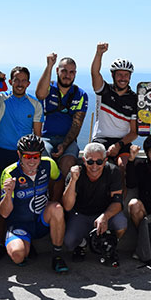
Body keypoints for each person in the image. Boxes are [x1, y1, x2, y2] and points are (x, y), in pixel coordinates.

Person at [0, 65, 44, 254]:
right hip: (2, 152)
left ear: (28, 83)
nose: (19, 84)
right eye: (16, 80)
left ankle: (26, 241)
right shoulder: (2, 98)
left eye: (23, 80)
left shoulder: (35, 104)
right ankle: (1, 244)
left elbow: (37, 135)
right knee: (2, 196)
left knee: (27, 199)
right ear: (10, 82)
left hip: (26, 157)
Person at [0, 134, 68, 273]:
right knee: (18, 256)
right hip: (20, 224)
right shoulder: (10, 173)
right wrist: (7, 193)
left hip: (41, 221)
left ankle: (57, 256)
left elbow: (59, 180)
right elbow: (4, 213)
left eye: (35, 156)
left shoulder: (48, 164)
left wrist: (54, 200)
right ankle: (25, 246)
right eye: (27, 156)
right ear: (19, 154)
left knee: (57, 208)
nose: (31, 161)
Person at [61, 142, 128, 266]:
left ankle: (109, 244)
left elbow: (118, 203)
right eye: (90, 162)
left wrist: (105, 216)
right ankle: (82, 244)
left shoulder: (113, 172)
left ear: (105, 160)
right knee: (69, 242)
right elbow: (67, 206)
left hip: (105, 213)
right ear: (84, 160)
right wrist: (73, 180)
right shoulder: (75, 174)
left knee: (121, 223)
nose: (94, 166)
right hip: (81, 214)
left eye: (99, 162)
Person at [35, 53, 88, 195]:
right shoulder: (49, 87)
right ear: (57, 71)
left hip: (68, 140)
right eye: (64, 71)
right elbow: (40, 94)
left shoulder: (81, 95)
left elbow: (77, 124)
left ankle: (59, 206)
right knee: (46, 164)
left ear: (75, 74)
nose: (67, 75)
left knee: (67, 165)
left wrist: (64, 145)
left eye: (71, 72)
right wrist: (49, 66)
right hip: (46, 138)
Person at [90, 42, 137, 171]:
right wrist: (99, 53)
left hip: (122, 141)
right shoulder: (104, 90)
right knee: (96, 166)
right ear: (113, 75)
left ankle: (120, 192)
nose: (123, 78)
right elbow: (95, 73)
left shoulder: (134, 99)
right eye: (119, 74)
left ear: (130, 76)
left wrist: (118, 145)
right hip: (101, 138)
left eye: (126, 75)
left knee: (123, 166)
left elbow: (133, 132)